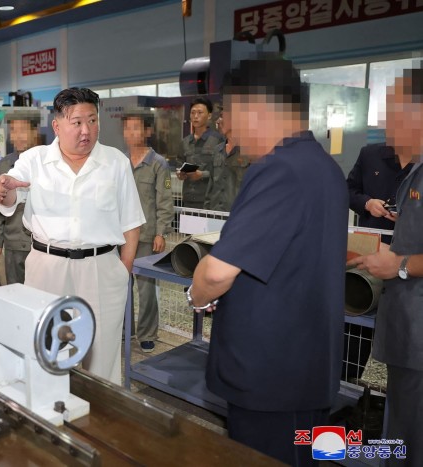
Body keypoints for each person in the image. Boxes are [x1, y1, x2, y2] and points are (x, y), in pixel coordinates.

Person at [187, 58, 348, 465]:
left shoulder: (278, 169)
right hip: (307, 368)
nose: (230, 129)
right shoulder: (326, 167)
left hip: (269, 376)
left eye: (232, 115)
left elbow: (219, 270)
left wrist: (198, 293)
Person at [0, 87, 145, 385]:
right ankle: (49, 413)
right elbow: (10, 196)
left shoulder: (115, 162)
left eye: (92, 120)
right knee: (48, 348)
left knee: (103, 354)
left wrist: (121, 271)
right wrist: (4, 190)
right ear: (58, 126)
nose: (86, 130)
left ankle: (102, 418)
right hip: (47, 268)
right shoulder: (34, 160)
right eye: (77, 122)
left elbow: (131, 222)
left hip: (100, 268)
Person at [348, 67, 423, 467]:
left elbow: (406, 260)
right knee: (403, 426)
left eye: (395, 110)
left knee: (411, 435)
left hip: (418, 333)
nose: (385, 121)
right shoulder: (400, 165)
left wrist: (400, 266)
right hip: (406, 327)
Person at [342, 86, 414, 383]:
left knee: (402, 334)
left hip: (407, 259)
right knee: (355, 322)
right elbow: (348, 190)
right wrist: (367, 203)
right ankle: (346, 384)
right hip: (367, 252)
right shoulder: (370, 155)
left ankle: (390, 397)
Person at [122, 109, 174, 353]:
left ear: (147, 131)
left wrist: (161, 232)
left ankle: (146, 333)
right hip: (120, 237)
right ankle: (125, 330)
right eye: (127, 128)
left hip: (146, 237)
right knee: (122, 286)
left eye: (136, 127)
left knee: (146, 290)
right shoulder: (120, 162)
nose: (131, 132)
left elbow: (164, 201)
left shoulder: (157, 164)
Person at [0, 111, 40, 284]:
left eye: (22, 130)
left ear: (35, 132)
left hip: (41, 245)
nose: (17, 136)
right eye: (13, 131)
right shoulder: (4, 165)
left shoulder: (46, 162)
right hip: (14, 244)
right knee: (16, 295)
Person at [176, 97, 225, 209]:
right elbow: (179, 164)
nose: (195, 116)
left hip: (209, 202)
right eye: (193, 113)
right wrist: (180, 174)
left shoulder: (218, 140)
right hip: (188, 200)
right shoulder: (185, 142)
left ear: (209, 115)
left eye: (200, 112)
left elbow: (223, 172)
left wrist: (202, 175)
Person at [204, 105, 248, 212]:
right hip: (215, 213)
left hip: (238, 214)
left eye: (223, 117)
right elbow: (211, 185)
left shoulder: (250, 152)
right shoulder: (218, 150)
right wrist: (207, 210)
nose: (219, 121)